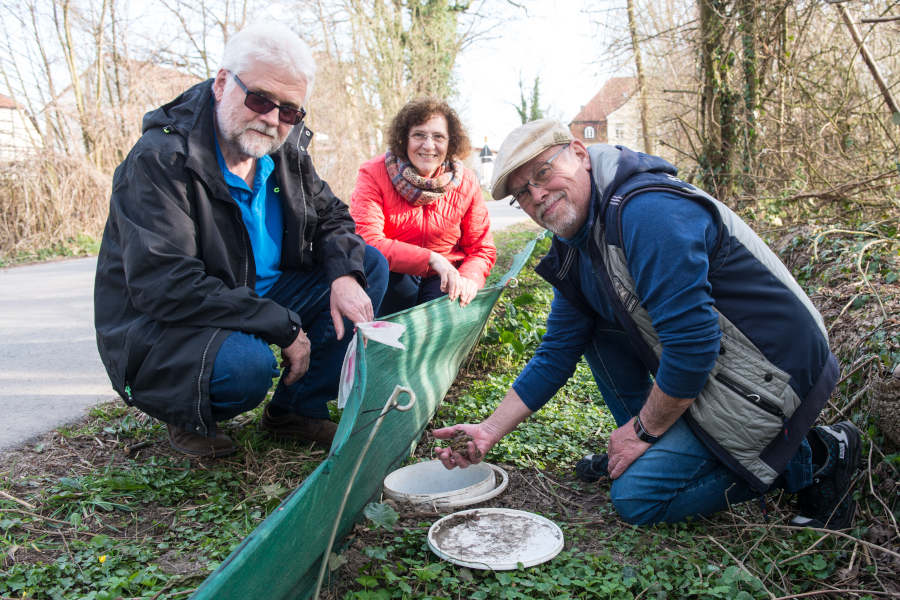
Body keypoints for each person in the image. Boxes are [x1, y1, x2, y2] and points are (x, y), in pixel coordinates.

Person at [434, 119, 862, 528]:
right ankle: (657, 442)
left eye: (543, 172)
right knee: (592, 328)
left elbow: (693, 346)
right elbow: (557, 351)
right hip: (721, 365)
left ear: (580, 153)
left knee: (637, 499)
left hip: (774, 373)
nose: (537, 195)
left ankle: (820, 454)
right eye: (522, 193)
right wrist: (489, 430)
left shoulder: (646, 212)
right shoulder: (574, 241)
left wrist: (642, 430)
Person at [94, 23, 388, 459]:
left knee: (368, 265)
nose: (272, 118)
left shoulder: (282, 152)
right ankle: (189, 415)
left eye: (290, 111)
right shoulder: (161, 161)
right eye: (259, 99)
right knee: (245, 369)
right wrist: (281, 325)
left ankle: (295, 410)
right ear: (220, 83)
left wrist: (345, 275)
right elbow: (165, 285)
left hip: (253, 293)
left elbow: (333, 216)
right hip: (175, 320)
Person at [350, 98, 496, 315]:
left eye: (438, 137)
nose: (428, 145)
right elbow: (367, 241)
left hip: (445, 276)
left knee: (444, 314)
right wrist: (430, 258)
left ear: (451, 142)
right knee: (392, 316)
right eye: (419, 135)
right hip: (393, 276)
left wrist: (468, 278)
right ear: (404, 139)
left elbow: (481, 249)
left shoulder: (467, 181)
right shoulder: (373, 173)